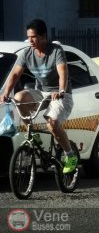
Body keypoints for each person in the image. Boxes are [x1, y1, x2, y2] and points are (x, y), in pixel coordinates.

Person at [0, 19, 77, 173]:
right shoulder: (27, 53)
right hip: (42, 92)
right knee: (19, 98)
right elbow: (15, 74)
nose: (30, 40)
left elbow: (63, 73)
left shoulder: (56, 51)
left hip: (61, 94)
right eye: (28, 37)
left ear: (43, 36)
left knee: (52, 124)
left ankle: (70, 155)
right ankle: (33, 133)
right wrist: (5, 93)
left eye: (33, 37)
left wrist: (61, 90)